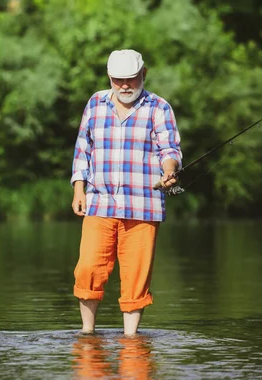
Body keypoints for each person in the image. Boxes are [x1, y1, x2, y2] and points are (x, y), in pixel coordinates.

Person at [70, 49, 182, 335]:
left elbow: (169, 150)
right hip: (99, 202)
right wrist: (78, 189)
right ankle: (87, 333)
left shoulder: (159, 107)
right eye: (118, 79)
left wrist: (169, 170)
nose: (124, 86)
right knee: (88, 269)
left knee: (136, 276)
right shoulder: (95, 103)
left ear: (143, 74)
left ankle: (131, 339)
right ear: (110, 77)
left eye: (130, 79)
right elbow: (83, 149)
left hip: (143, 206)